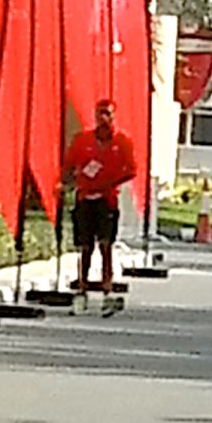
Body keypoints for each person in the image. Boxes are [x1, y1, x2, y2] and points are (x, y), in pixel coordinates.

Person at [63, 103, 138, 311]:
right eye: (100, 114)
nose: (104, 118)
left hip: (107, 200)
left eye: (108, 114)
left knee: (106, 245)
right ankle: (82, 289)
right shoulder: (82, 141)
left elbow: (131, 170)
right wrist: (71, 181)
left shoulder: (122, 142)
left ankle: (107, 290)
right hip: (85, 199)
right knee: (85, 247)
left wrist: (109, 181)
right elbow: (69, 166)